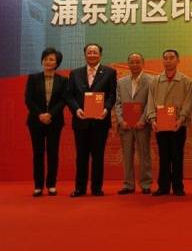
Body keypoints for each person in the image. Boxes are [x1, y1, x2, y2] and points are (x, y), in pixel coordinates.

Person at [66, 43, 117, 197]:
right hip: (81, 121)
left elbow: (112, 95)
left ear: (100, 55)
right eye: (89, 52)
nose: (92, 55)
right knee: (81, 156)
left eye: (95, 52)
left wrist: (106, 109)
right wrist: (76, 109)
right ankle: (80, 188)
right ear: (85, 55)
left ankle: (96, 188)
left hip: (100, 121)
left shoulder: (109, 72)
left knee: (98, 156)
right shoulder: (75, 73)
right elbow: (69, 95)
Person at [146, 50, 192, 196]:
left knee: (177, 156)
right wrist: (152, 119)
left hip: (178, 124)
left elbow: (188, 102)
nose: (168, 60)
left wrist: (181, 118)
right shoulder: (155, 81)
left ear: (178, 60)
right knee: (164, 156)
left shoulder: (186, 81)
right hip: (160, 124)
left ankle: (178, 186)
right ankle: (163, 187)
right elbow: (150, 101)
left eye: (171, 58)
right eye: (165, 58)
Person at [24, 47, 68, 197]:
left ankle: (51, 185)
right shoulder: (33, 78)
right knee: (38, 153)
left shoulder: (63, 80)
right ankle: (38, 186)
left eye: (51, 59)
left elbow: (63, 100)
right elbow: (28, 99)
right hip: (36, 121)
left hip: (54, 121)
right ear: (42, 60)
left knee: (53, 153)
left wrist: (50, 114)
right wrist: (40, 114)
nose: (48, 62)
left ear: (57, 63)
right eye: (45, 59)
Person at [114, 52, 153, 195]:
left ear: (143, 63)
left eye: (138, 62)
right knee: (127, 155)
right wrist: (121, 120)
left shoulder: (151, 80)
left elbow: (150, 103)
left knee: (144, 154)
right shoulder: (121, 82)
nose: (135, 65)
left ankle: (146, 183)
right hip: (125, 125)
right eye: (132, 62)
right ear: (128, 64)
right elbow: (117, 103)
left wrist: (143, 120)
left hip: (142, 125)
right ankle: (128, 184)